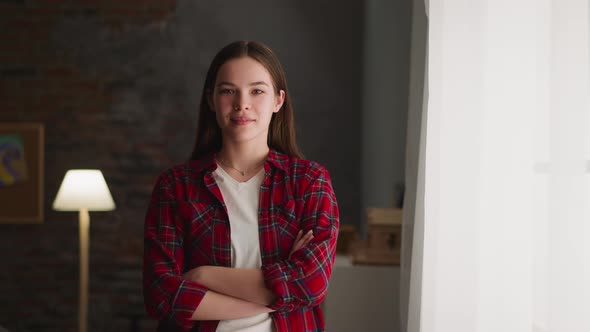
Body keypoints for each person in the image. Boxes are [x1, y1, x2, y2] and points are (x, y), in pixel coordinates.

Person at [143, 40, 340, 332]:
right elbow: (161, 294)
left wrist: (201, 276)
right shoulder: (176, 186)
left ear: (278, 101)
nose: (242, 104)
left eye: (257, 91)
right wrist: (276, 296)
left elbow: (310, 284)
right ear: (211, 100)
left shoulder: (309, 182)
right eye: (228, 91)